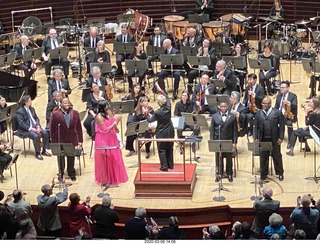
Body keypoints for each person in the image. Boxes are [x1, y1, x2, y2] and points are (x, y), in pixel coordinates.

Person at [94, 100, 128, 187]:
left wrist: (116, 125)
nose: (108, 106)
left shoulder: (109, 112)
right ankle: (106, 178)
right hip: (103, 138)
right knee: (105, 159)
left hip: (111, 136)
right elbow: (105, 129)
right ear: (103, 107)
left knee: (114, 156)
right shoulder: (99, 117)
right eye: (106, 105)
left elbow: (112, 122)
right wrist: (116, 122)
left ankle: (114, 177)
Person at [50, 97, 83, 181]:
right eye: (65, 103)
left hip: (72, 139)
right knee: (60, 158)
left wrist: (80, 140)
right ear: (61, 104)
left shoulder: (75, 113)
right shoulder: (55, 114)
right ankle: (61, 173)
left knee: (71, 157)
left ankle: (71, 172)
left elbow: (79, 127)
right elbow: (52, 129)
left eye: (68, 102)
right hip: (60, 139)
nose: (67, 104)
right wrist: (54, 142)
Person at [254, 96, 284, 181]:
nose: (264, 105)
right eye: (263, 103)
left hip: (275, 138)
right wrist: (256, 137)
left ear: (270, 104)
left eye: (266, 104)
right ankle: (263, 174)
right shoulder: (258, 113)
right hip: (263, 138)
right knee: (263, 156)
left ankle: (280, 173)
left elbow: (282, 126)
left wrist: (281, 137)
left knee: (277, 156)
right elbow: (255, 126)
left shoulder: (277, 113)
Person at [147, 82, 175, 171]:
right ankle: (170, 165)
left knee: (162, 149)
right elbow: (166, 95)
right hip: (170, 130)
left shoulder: (157, 112)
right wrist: (159, 88)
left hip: (161, 132)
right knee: (170, 147)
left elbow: (150, 120)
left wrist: (146, 113)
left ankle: (164, 166)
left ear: (159, 103)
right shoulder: (168, 106)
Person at [14, 95, 51, 160]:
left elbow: (36, 119)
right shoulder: (19, 112)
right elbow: (21, 124)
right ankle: (37, 153)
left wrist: (38, 126)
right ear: (25, 102)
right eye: (30, 100)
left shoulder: (32, 109)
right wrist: (31, 128)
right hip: (25, 130)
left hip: (35, 127)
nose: (31, 101)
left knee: (45, 133)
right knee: (35, 136)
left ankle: (44, 150)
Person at [210, 101, 238, 183]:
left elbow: (235, 130)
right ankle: (219, 173)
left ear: (227, 107)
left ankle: (229, 174)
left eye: (225, 107)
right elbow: (212, 130)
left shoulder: (232, 117)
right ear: (219, 107)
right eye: (222, 107)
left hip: (228, 140)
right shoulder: (214, 117)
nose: (223, 108)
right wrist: (212, 141)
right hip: (218, 141)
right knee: (219, 158)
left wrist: (234, 142)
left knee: (229, 158)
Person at [274, 80, 298, 149]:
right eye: (281, 87)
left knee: (289, 124)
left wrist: (289, 103)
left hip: (289, 116)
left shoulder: (293, 96)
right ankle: (278, 137)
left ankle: (290, 142)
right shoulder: (279, 95)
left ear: (288, 88)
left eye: (283, 88)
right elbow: (276, 106)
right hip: (280, 115)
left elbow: (295, 105)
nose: (281, 89)